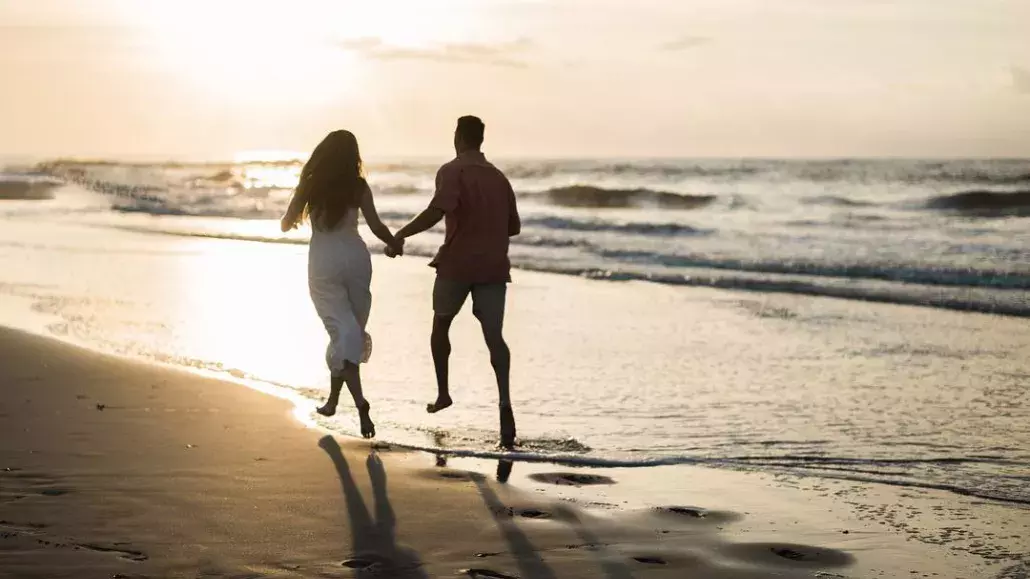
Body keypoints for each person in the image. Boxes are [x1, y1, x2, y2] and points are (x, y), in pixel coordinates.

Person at [393, 115, 522, 449]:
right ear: (481, 139)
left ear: (459, 137)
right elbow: (514, 227)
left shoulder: (452, 171)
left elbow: (437, 211)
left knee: (441, 325)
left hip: (457, 264)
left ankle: (443, 393)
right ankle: (505, 406)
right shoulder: (499, 177)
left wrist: (401, 233)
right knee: (495, 338)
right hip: (494, 267)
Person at [281, 130, 403, 439]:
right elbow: (376, 226)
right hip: (356, 259)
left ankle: (360, 405)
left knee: (343, 332)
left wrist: (299, 212)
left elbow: (285, 223)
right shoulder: (358, 186)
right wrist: (394, 244)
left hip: (324, 262)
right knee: (350, 334)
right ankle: (335, 401)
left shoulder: (311, 184)